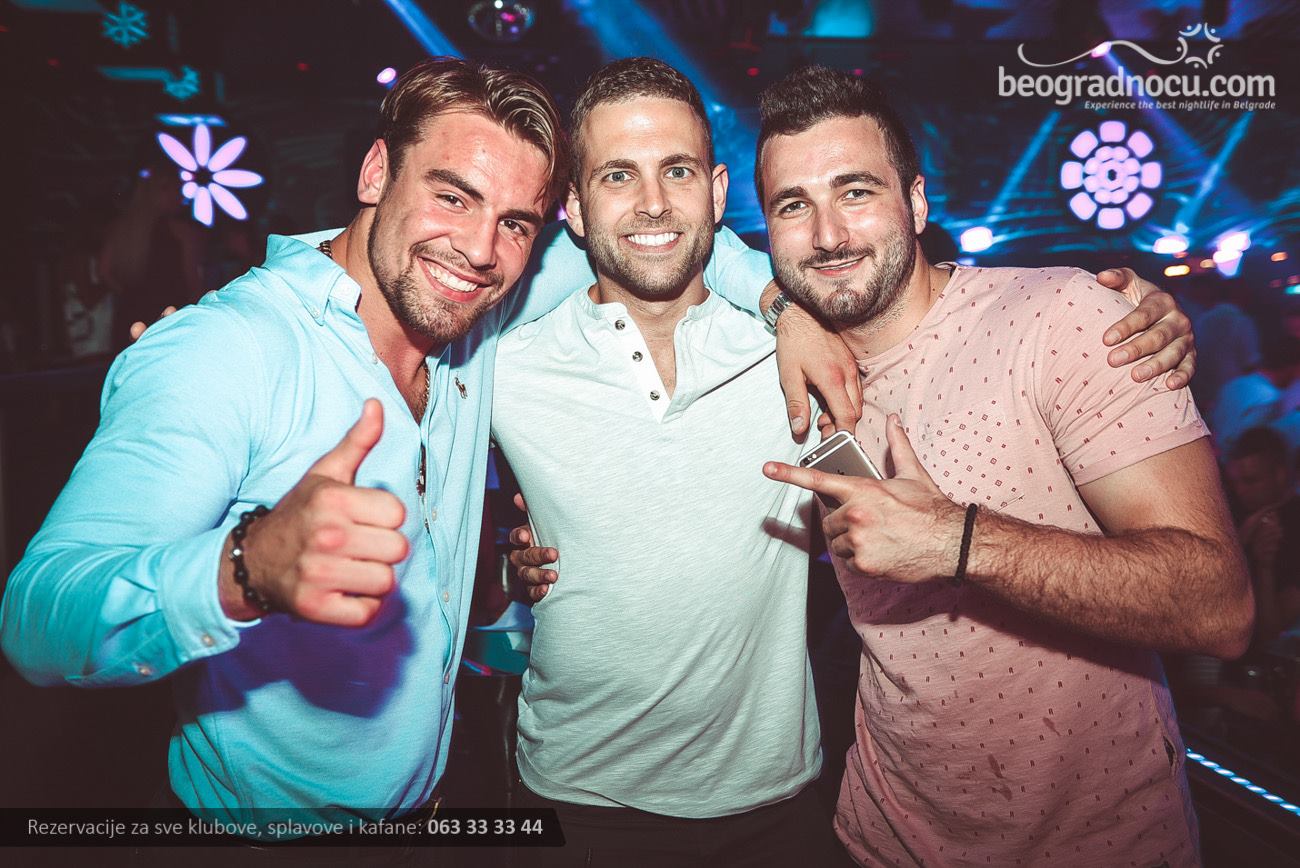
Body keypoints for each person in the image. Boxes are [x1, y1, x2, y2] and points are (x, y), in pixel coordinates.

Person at [500, 59, 1201, 867]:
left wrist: (1137, 312)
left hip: (782, 809)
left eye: (679, 171)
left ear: (718, 195)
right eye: (618, 175)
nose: (654, 201)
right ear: (573, 206)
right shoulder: (504, 368)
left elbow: (1209, 596)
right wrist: (512, 560)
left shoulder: (804, 356)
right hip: (590, 800)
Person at [756, 67, 1252, 867]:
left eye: (856, 191)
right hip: (882, 839)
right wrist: (778, 309)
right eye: (793, 205)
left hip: (1101, 846)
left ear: (917, 202)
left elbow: (1217, 605)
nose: (828, 234)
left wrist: (958, 542)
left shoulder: (1061, 317)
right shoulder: (792, 373)